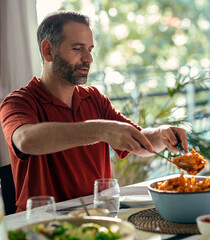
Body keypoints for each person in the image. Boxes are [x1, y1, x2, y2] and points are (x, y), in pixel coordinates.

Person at [0, 11, 189, 212]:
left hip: (98, 216)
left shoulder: (94, 98)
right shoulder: (18, 102)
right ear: (48, 51)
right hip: (43, 224)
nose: (89, 58)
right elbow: (26, 140)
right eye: (77, 49)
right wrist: (101, 130)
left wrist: (161, 134)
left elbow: (138, 142)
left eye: (90, 49)